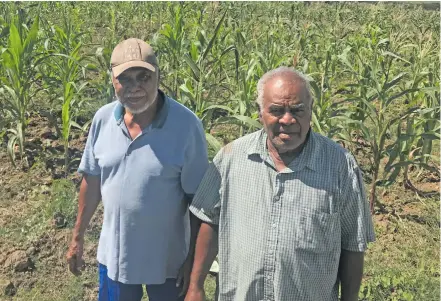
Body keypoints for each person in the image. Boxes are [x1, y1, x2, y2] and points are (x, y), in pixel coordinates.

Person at [185, 67, 376, 301]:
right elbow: (208, 219)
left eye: (297, 110)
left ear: (310, 110)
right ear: (260, 112)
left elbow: (353, 243)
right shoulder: (232, 157)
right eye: (276, 110)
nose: (287, 119)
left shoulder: (340, 165)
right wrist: (195, 285)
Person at [66, 38, 208, 301]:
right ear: (112, 81)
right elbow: (92, 180)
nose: (135, 88)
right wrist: (78, 237)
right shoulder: (103, 119)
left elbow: (199, 202)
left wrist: (192, 265)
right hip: (115, 258)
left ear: (158, 77)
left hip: (168, 262)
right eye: (125, 79)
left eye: (144, 77)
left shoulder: (186, 126)